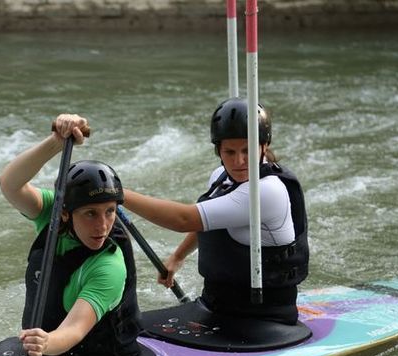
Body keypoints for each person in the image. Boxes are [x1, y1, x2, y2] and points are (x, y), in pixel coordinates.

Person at [123, 98, 309, 325]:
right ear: (218, 150)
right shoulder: (221, 176)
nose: (239, 161)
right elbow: (208, 220)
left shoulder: (266, 191)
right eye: (229, 152)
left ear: (264, 146)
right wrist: (178, 257)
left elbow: (184, 219)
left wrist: (117, 193)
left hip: (264, 317)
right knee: (132, 326)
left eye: (247, 150)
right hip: (215, 305)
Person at [0, 114, 141, 356]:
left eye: (110, 212)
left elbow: (73, 330)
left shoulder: (110, 265)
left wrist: (46, 342)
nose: (103, 226)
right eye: (90, 214)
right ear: (64, 213)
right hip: (44, 351)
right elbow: (9, 184)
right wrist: (56, 141)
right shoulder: (51, 216)